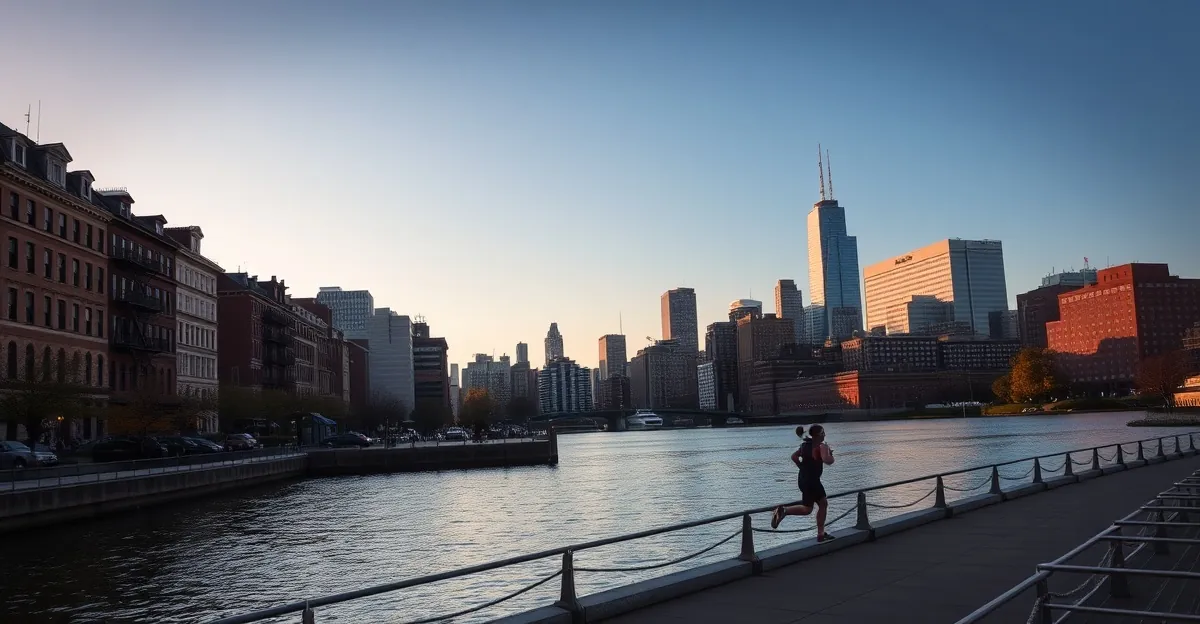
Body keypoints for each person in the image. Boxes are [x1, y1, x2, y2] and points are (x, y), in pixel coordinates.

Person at [771, 424, 836, 542]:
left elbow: (794, 456)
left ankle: (785, 511)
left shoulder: (805, 445)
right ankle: (785, 511)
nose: (824, 435)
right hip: (813, 481)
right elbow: (827, 460)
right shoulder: (821, 446)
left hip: (803, 479)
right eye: (822, 433)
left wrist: (801, 466)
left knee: (816, 505)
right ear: (817, 435)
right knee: (815, 506)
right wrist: (830, 454)